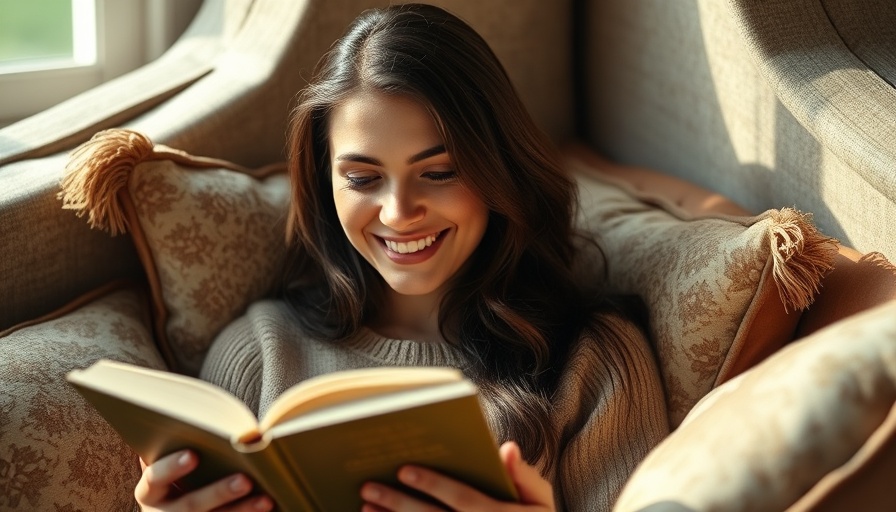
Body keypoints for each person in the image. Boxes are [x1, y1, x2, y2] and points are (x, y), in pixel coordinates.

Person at [134, 3, 669, 511]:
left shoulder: (594, 363)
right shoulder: (259, 353)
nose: (398, 213)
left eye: (439, 172)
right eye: (363, 179)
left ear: (498, 170)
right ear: (327, 185)